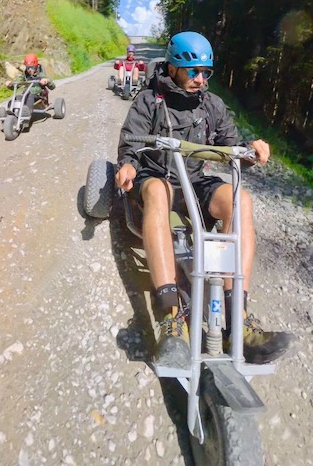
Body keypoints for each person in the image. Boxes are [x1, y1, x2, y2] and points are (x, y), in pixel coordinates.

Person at [114, 31, 296, 367]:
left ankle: (237, 319)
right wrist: (127, 164)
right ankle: (171, 317)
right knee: (156, 190)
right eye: (193, 71)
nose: (201, 79)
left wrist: (251, 151)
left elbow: (233, 147)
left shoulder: (211, 105)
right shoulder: (149, 101)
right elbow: (130, 144)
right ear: (172, 69)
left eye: (205, 72)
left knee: (239, 199)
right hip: (159, 178)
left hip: (195, 182)